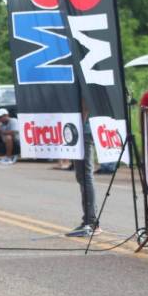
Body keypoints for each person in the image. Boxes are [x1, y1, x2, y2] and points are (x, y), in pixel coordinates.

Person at [66, 101, 99, 237]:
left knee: (85, 176)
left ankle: (90, 222)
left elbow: (85, 103)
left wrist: (78, 127)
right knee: (83, 177)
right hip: (82, 129)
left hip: (83, 130)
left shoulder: (82, 81)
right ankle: (90, 220)